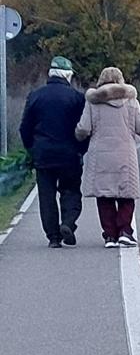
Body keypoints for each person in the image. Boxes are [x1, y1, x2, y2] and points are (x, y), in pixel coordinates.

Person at [75, 66, 140, 248]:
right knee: (127, 193)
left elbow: (84, 128)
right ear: (121, 80)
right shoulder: (131, 101)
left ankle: (110, 235)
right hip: (125, 153)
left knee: (104, 195)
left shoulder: (93, 102)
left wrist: (78, 135)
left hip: (100, 154)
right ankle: (125, 231)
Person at [18, 56, 86, 248]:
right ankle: (68, 223)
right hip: (69, 154)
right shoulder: (77, 98)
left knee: (46, 197)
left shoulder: (35, 96)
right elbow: (83, 128)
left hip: (43, 154)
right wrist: (81, 149)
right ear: (68, 75)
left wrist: (32, 150)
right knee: (71, 191)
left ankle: (53, 237)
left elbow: (25, 128)